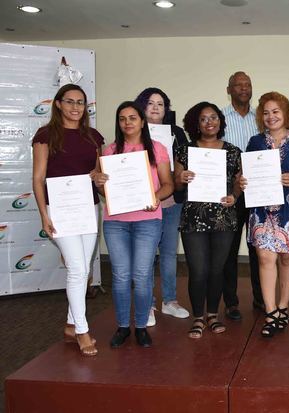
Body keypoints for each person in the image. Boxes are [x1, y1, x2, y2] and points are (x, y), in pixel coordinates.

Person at [32, 84, 104, 357]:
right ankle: (83, 331)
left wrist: (100, 179)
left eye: (81, 102)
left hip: (87, 208)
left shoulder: (94, 136)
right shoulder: (45, 135)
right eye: (70, 102)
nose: (75, 107)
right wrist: (43, 214)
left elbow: (97, 174)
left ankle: (71, 324)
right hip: (59, 210)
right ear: (59, 104)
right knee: (76, 269)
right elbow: (38, 178)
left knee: (83, 269)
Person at [240, 91, 289, 338]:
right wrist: (242, 181)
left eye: (276, 111)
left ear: (285, 114)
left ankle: (283, 307)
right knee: (265, 258)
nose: (270, 116)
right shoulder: (254, 142)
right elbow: (247, 175)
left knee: (286, 258)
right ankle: (271, 311)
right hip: (262, 209)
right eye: (265, 112)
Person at [101, 101, 174, 348]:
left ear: (142, 121)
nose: (127, 122)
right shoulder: (109, 151)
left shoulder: (157, 149)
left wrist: (156, 197)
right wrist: (98, 182)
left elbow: (168, 185)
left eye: (132, 117)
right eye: (122, 118)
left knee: (142, 276)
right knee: (121, 276)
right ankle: (123, 326)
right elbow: (103, 191)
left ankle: (141, 326)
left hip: (147, 221)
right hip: (115, 222)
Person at [175, 102, 241, 339]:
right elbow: (176, 185)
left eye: (214, 117)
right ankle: (198, 317)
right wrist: (181, 178)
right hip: (194, 218)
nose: (209, 122)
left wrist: (235, 195)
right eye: (203, 119)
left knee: (217, 270)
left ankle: (213, 315)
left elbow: (238, 183)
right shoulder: (185, 150)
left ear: (220, 121)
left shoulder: (233, 151)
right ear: (196, 124)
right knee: (198, 270)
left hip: (224, 217)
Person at [135, 87, 190, 326]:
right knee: (146, 256)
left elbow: (185, 159)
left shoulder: (176, 132)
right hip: (143, 203)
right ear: (141, 106)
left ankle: (170, 301)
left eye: (160, 103)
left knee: (168, 253)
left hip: (170, 201)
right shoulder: (133, 129)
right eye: (150, 103)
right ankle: (147, 306)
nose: (156, 107)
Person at [222, 71, 263, 320]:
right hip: (232, 191)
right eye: (238, 85)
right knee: (229, 249)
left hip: (259, 190)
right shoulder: (220, 118)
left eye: (247, 84)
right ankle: (231, 301)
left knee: (259, 247)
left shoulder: (260, 118)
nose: (244, 88)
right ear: (229, 90)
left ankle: (261, 298)